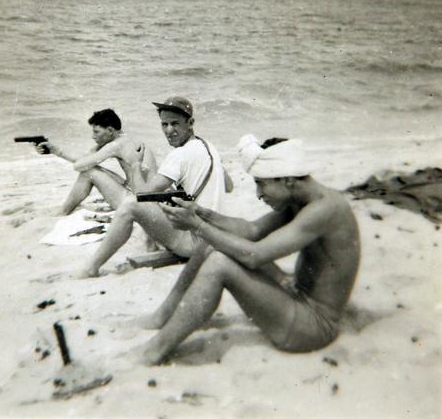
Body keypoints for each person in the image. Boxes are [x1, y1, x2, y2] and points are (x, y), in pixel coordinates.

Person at [133, 134, 361, 365]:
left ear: (288, 181)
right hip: (296, 297)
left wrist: (197, 226)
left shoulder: (324, 209)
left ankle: (154, 351)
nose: (259, 194)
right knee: (212, 243)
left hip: (313, 326)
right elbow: (252, 230)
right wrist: (200, 213)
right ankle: (163, 316)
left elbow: (254, 256)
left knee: (219, 264)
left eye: (262, 183)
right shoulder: (303, 199)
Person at [80, 96, 234, 278]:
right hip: (216, 237)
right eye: (164, 124)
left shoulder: (180, 155)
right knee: (163, 198)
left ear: (190, 123)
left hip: (196, 243)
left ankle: (90, 268)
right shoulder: (209, 147)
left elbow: (141, 196)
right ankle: (150, 245)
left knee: (129, 205)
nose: (169, 130)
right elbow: (229, 186)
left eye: (175, 124)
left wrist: (135, 164)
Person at [37, 108, 157, 214]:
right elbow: (85, 160)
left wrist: (96, 149)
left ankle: (63, 212)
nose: (93, 136)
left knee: (88, 172)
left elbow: (79, 166)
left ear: (110, 130)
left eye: (96, 132)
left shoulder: (116, 145)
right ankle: (64, 210)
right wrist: (55, 150)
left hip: (139, 202)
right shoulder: (126, 139)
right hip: (150, 197)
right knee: (93, 169)